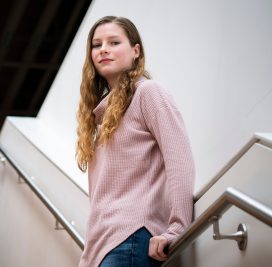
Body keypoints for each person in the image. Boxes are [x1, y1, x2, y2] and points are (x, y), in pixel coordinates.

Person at [75, 16, 195, 267]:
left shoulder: (148, 93)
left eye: (114, 42)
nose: (103, 49)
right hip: (101, 246)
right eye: (96, 45)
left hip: (131, 237)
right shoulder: (100, 115)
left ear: (135, 51)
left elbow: (180, 161)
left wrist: (177, 227)